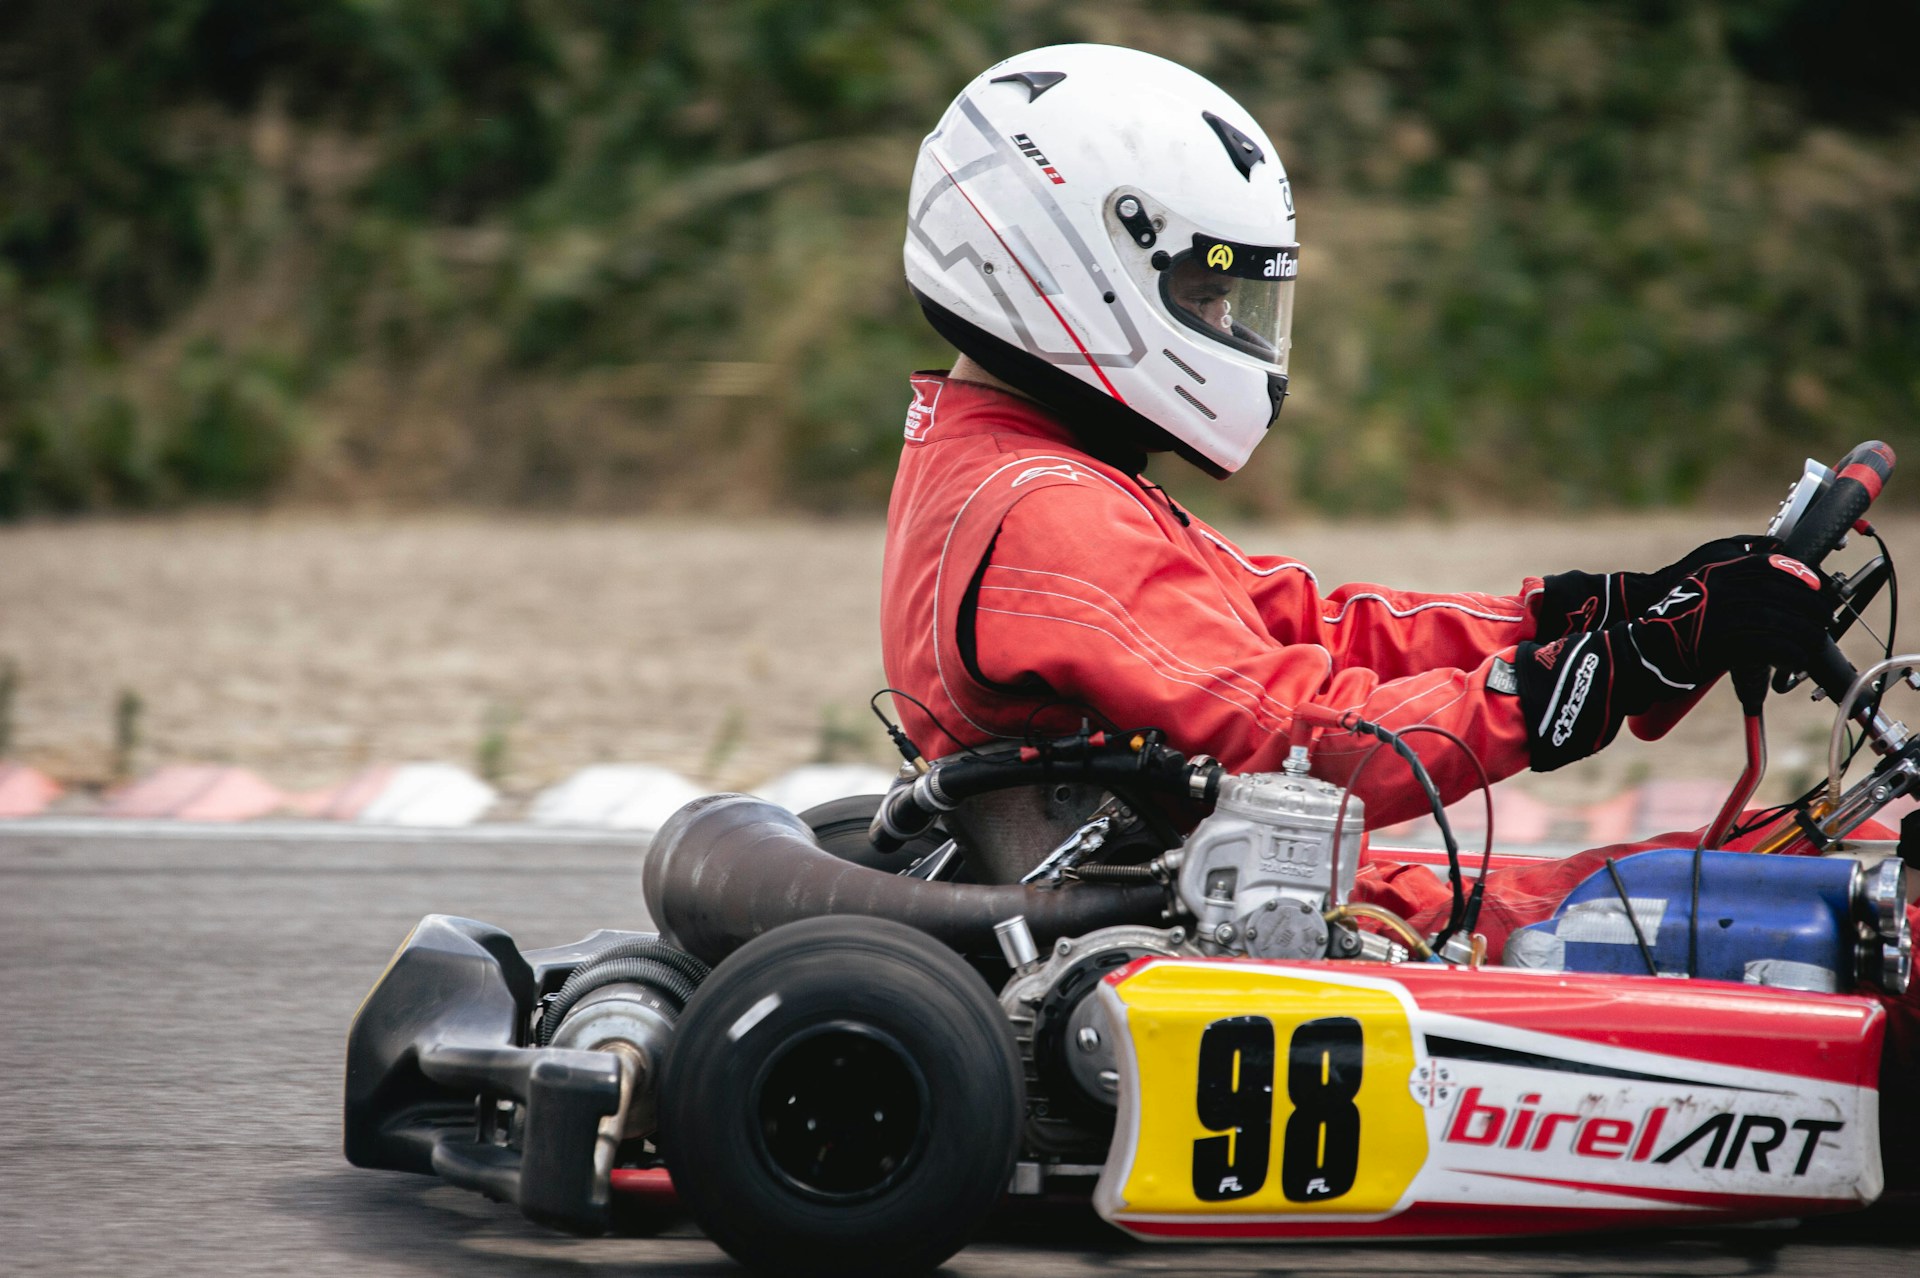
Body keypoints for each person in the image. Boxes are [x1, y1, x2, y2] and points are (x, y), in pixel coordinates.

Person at [880, 42, 1851, 949]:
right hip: (1209, 939)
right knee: (1739, 925)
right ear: (1070, 263)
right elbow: (1296, 740)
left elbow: (1310, 630)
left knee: (1736, 872)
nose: (1226, 322)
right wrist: (1588, 682)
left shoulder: (1021, 469)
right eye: (1206, 291)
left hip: (1215, 890)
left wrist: (1597, 614)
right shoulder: (1045, 516)